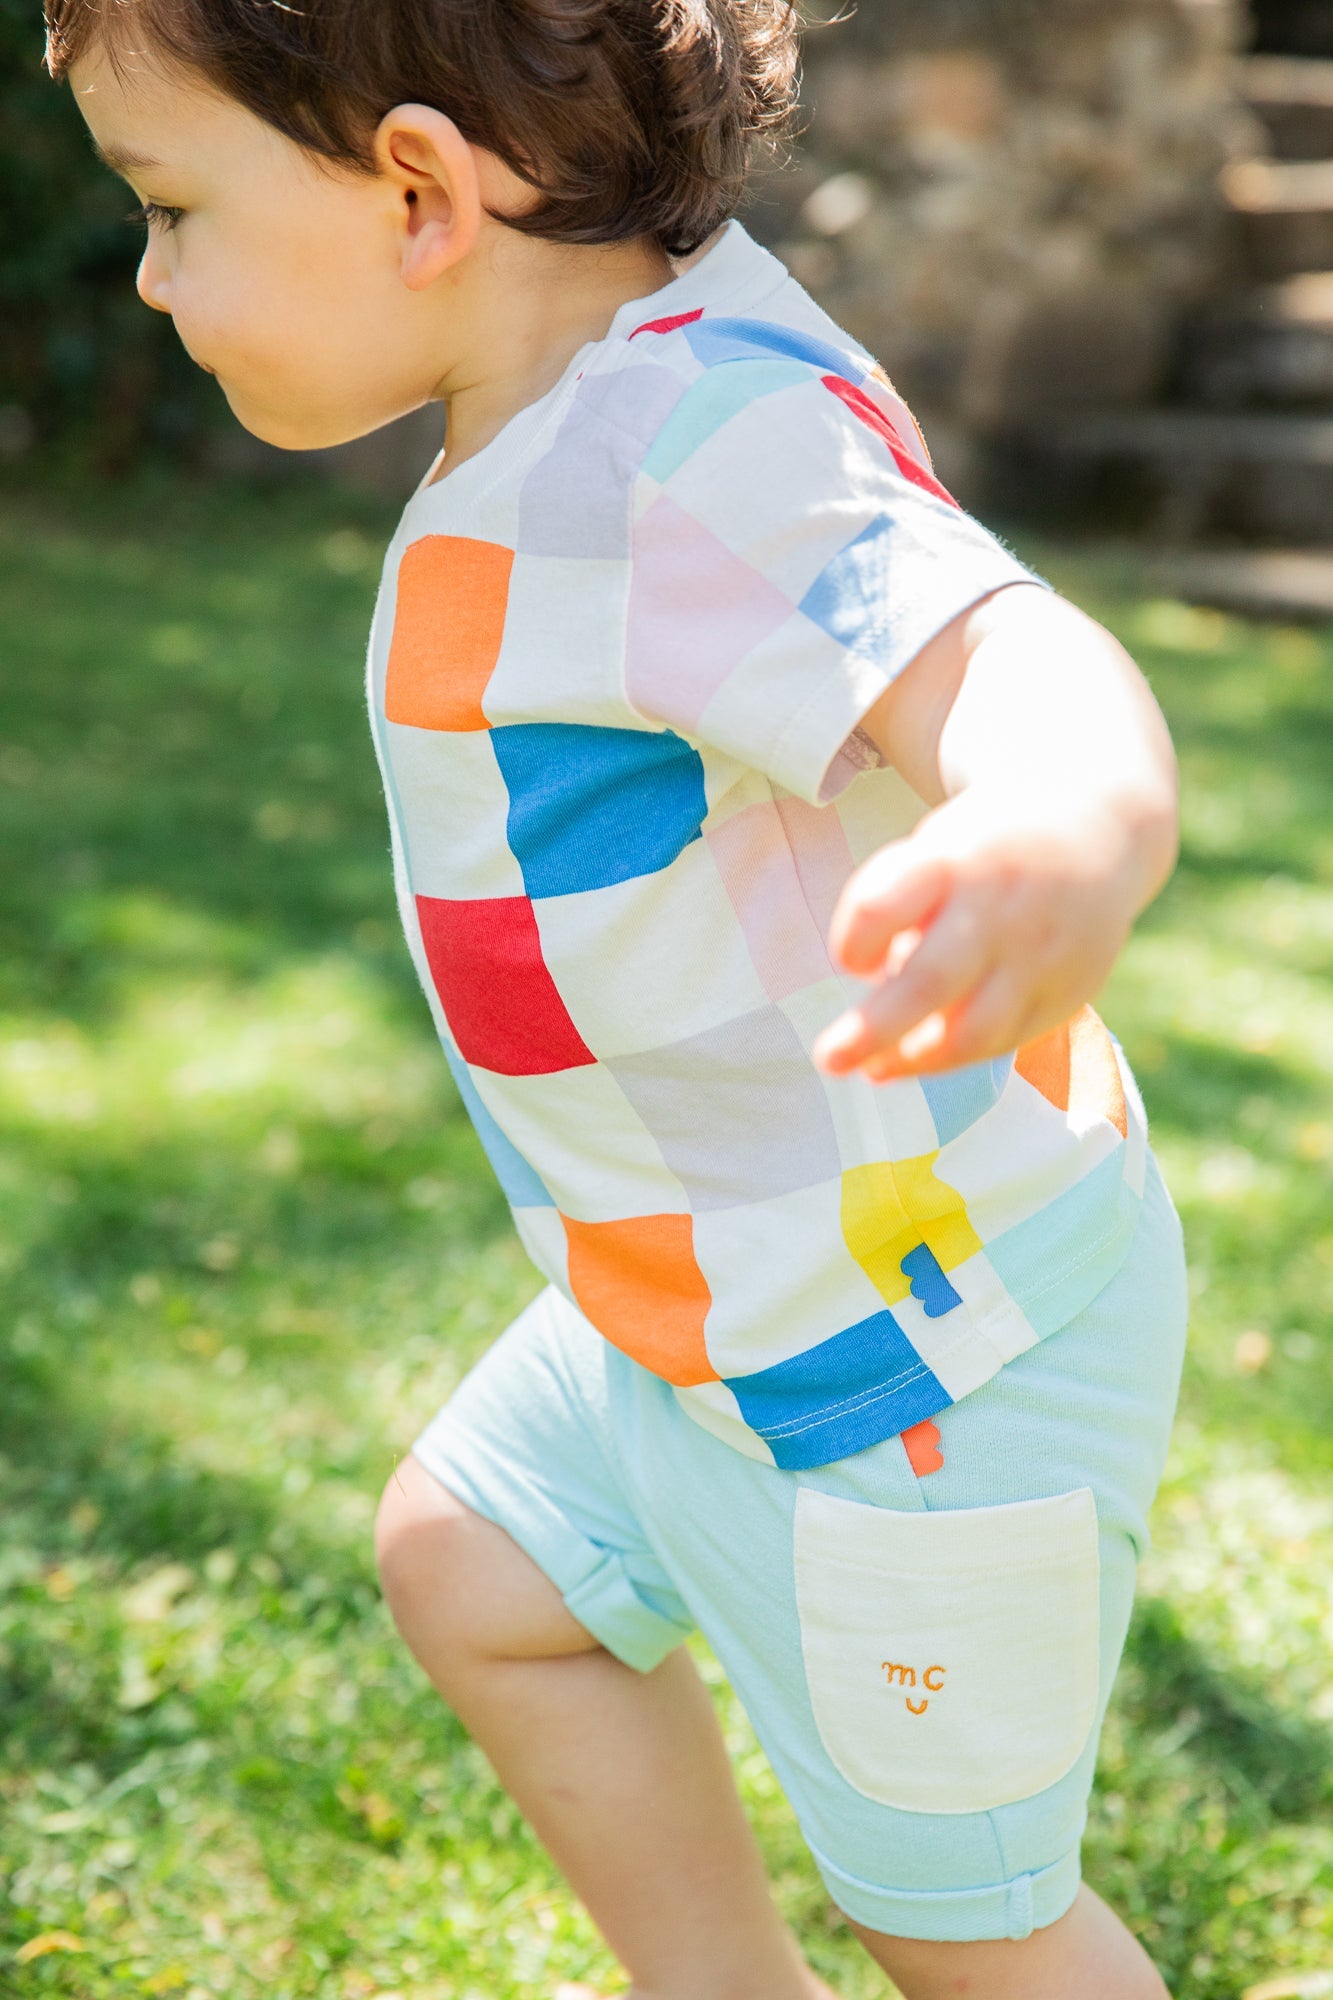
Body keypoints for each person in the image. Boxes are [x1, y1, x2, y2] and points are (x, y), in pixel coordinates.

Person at [47, 2, 1188, 1994]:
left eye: (168, 211)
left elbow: (988, 636)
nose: (148, 279)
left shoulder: (688, 448)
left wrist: (1069, 815)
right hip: (703, 1310)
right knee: (474, 1563)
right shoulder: (588, 408)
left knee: (961, 1922)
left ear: (421, 194)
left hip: (912, 1358)